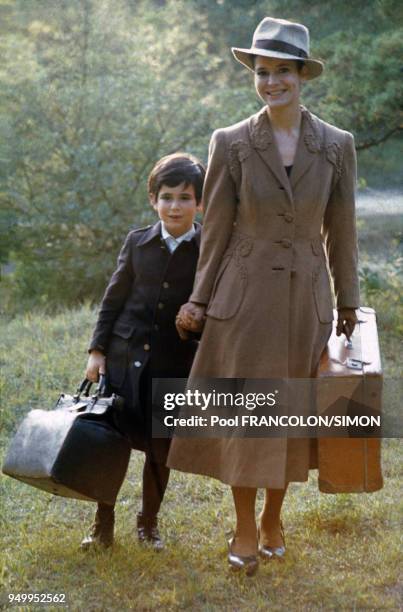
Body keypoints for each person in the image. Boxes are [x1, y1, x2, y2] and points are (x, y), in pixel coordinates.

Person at [169, 17, 359, 575]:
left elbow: (341, 231)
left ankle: (276, 516)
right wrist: (200, 300)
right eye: (262, 72)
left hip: (308, 301)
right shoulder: (230, 142)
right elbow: (218, 231)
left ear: (303, 75)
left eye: (282, 71)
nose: (271, 81)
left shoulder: (337, 145)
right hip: (243, 301)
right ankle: (246, 524)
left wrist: (347, 301)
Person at [82, 153, 205, 550]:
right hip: (124, 359)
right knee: (110, 442)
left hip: (174, 363)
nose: (175, 206)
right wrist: (97, 350)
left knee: (160, 446)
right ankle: (102, 523)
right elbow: (112, 300)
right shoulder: (137, 242)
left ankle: (148, 522)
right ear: (153, 199)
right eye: (166, 197)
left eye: (185, 198)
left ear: (199, 203)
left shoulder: (208, 249)